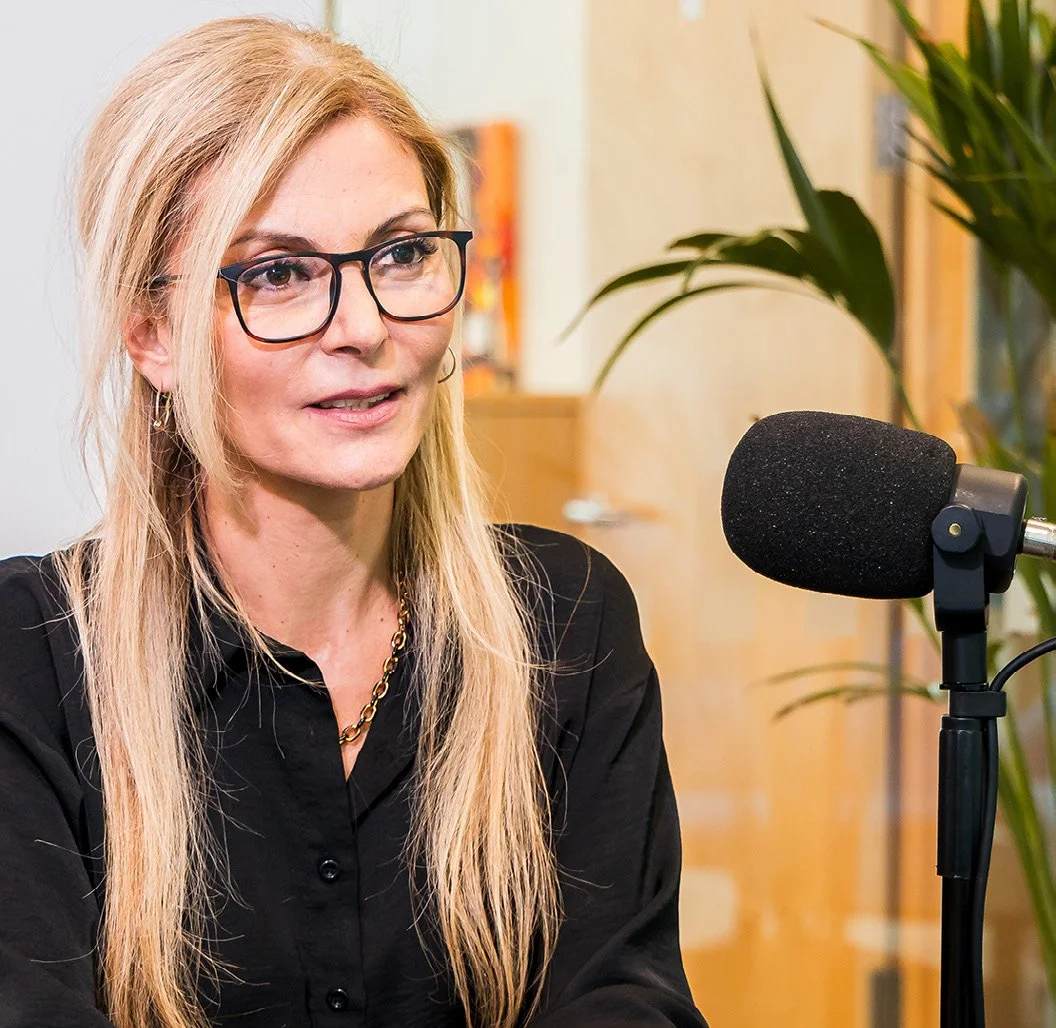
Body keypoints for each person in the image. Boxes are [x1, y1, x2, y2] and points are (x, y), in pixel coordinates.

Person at [0, 17, 707, 1028]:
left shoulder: (563, 624)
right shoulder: (36, 658)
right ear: (152, 331)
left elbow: (626, 1000)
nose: (366, 327)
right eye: (278, 274)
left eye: (403, 252)